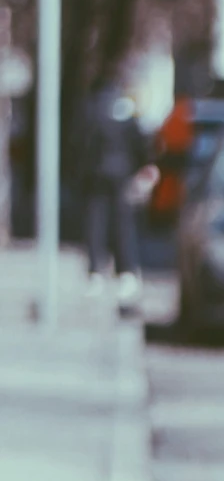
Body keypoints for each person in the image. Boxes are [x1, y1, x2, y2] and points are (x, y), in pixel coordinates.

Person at [77, 75, 148, 312]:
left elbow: (82, 141)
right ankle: (126, 272)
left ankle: (96, 271)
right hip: (122, 173)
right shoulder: (126, 108)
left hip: (97, 174)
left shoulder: (92, 107)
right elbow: (139, 140)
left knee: (96, 222)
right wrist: (141, 168)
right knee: (123, 224)